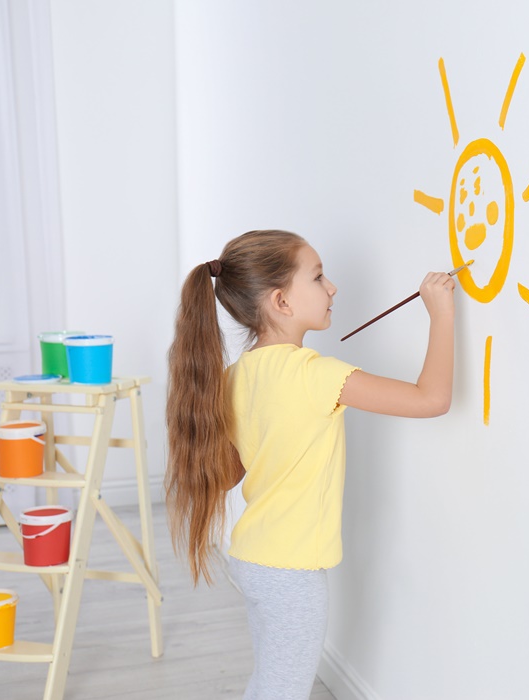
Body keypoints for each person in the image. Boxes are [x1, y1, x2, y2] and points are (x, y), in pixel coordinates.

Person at [165, 229, 455, 700]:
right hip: (290, 574)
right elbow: (432, 399)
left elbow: (235, 473)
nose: (332, 287)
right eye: (319, 277)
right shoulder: (315, 374)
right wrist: (440, 314)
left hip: (253, 559)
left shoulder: (236, 376)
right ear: (281, 301)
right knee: (283, 691)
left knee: (269, 684)